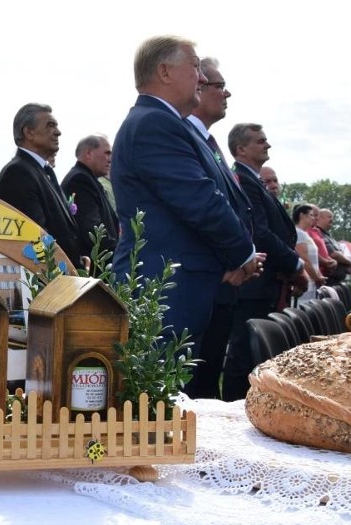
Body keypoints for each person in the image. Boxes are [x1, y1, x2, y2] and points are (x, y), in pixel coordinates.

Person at [110, 36, 259, 359]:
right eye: (195, 67)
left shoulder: (166, 123)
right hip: (161, 293)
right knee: (157, 405)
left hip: (177, 290)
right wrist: (242, 254)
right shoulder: (154, 124)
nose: (202, 78)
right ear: (165, 72)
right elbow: (200, 201)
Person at [183, 57, 256, 399]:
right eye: (219, 86)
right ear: (198, 88)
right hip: (206, 282)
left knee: (209, 381)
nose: (227, 93)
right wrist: (237, 259)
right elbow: (201, 208)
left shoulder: (208, 142)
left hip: (222, 283)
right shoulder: (185, 137)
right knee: (195, 388)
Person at [222, 124, 306, 401]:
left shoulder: (254, 180)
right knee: (244, 355)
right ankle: (235, 409)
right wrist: (296, 265)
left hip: (264, 284)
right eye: (261, 141)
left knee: (252, 355)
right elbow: (260, 232)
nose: (267, 146)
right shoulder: (243, 180)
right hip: (253, 285)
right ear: (241, 148)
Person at [0, 103, 92, 268]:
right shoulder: (18, 173)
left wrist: (77, 261)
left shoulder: (42, 171)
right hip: (45, 284)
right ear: (29, 132)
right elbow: (34, 237)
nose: (58, 132)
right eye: (50, 125)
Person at [60, 134, 119, 255]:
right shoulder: (80, 180)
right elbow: (92, 231)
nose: (110, 159)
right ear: (89, 153)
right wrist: (122, 253)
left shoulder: (87, 179)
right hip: (95, 266)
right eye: (107, 153)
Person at [293, 203, 325, 304]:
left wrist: (319, 276)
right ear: (302, 215)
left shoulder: (305, 234)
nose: (313, 218)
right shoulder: (298, 233)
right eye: (311, 215)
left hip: (313, 281)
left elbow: (313, 260)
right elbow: (304, 259)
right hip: (307, 280)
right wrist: (316, 278)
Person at [315, 208, 351, 284]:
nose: (332, 220)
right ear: (320, 218)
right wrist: (350, 262)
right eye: (329, 217)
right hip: (328, 280)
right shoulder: (319, 234)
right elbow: (333, 254)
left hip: (336, 280)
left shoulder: (327, 235)